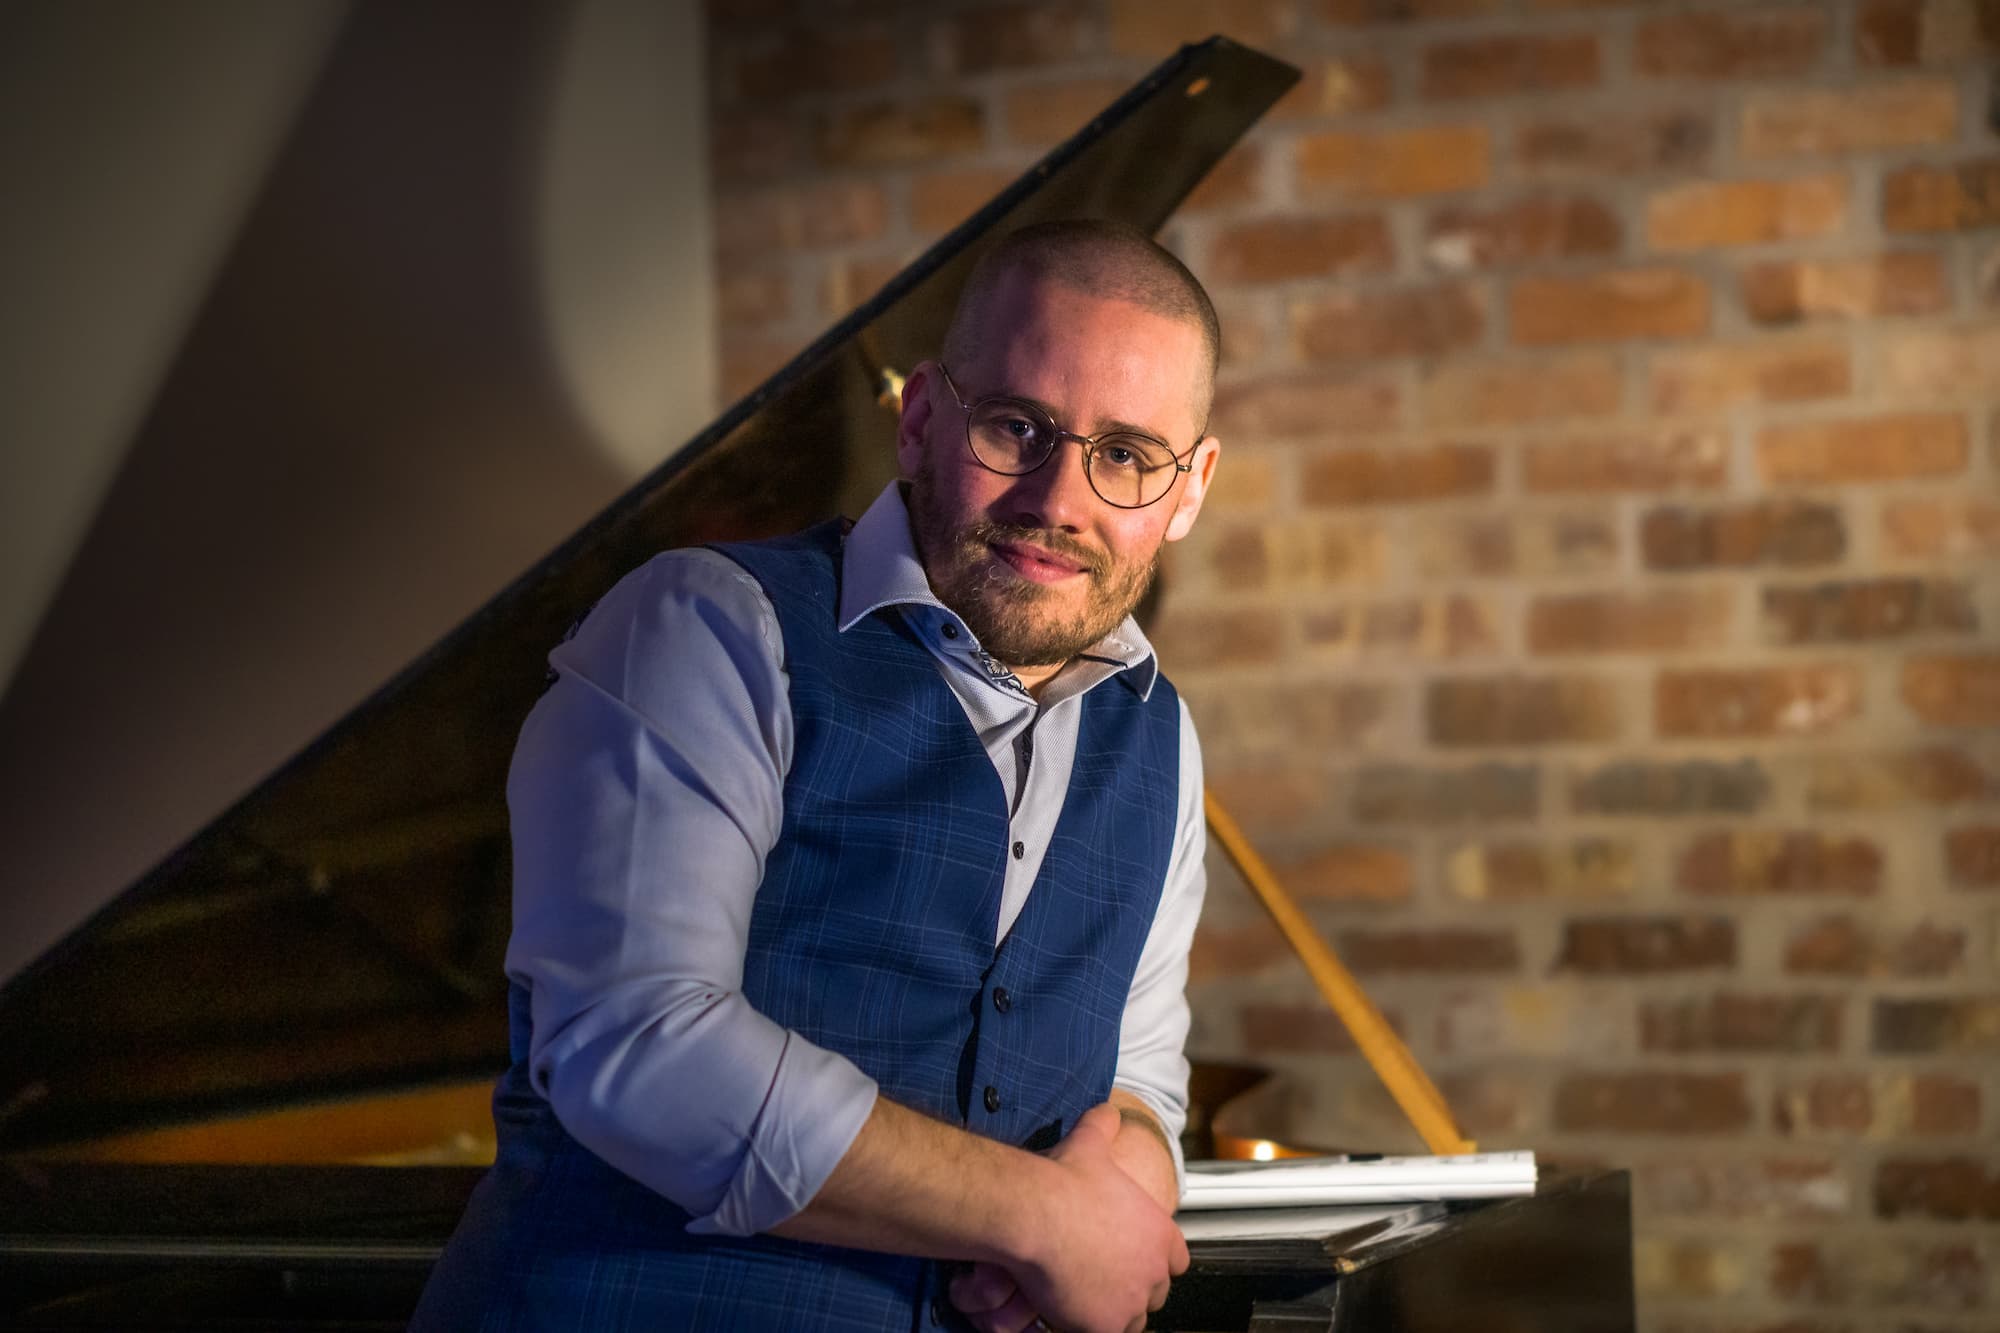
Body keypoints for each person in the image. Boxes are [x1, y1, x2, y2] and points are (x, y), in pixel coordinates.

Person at [413, 219, 1225, 1333]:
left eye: (1126, 455)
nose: (1058, 498)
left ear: (1189, 487)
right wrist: (1036, 1219)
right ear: (924, 419)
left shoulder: (1160, 736)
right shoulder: (704, 627)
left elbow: (1138, 1077)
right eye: (1014, 427)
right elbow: (640, 1040)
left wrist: (1119, 1187)